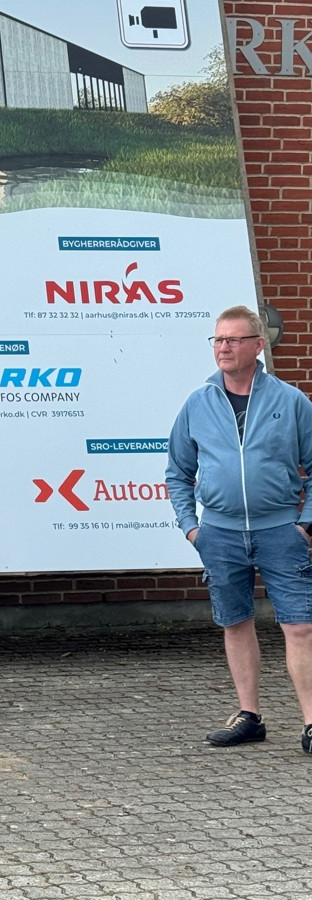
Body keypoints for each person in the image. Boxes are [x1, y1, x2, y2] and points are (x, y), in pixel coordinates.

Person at [166, 305, 312, 754]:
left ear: (258, 345)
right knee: (235, 623)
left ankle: (311, 723)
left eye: (233, 339)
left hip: (280, 532)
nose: (223, 347)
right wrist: (192, 528)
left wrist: (306, 524)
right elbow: (178, 472)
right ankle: (249, 716)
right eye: (218, 340)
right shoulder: (197, 403)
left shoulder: (291, 401)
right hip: (220, 534)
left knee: (301, 627)